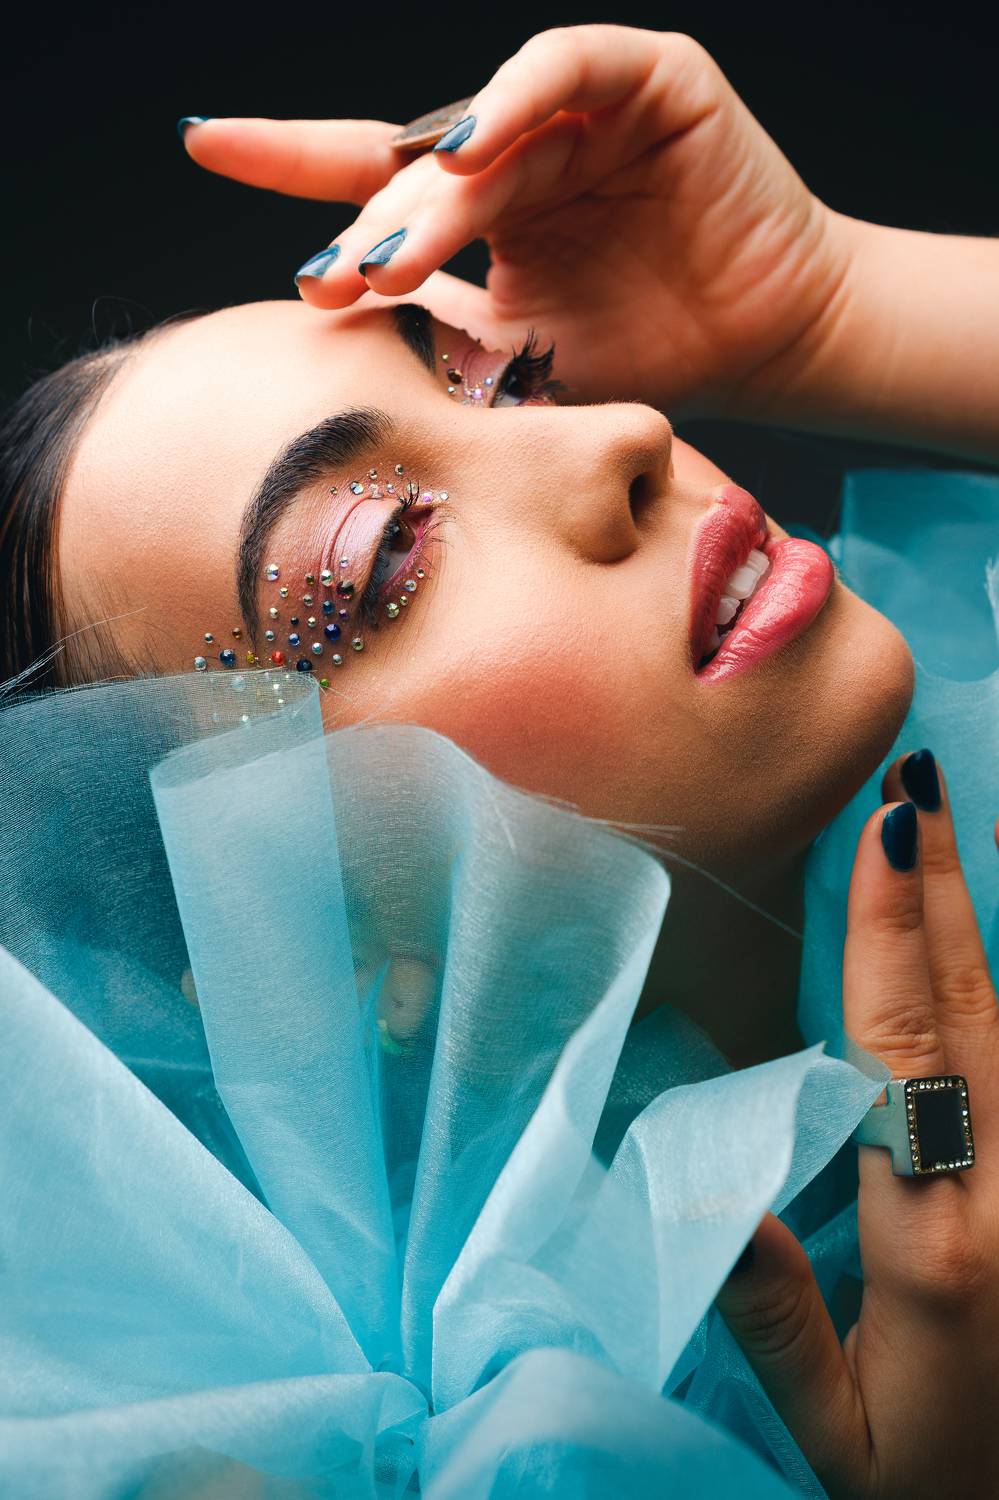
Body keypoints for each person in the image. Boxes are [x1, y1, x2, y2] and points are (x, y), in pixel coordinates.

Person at [1, 23, 996, 1498]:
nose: (623, 438)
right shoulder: (516, 1450)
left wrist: (832, 308)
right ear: (295, 962)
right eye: (382, 559)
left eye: (503, 381)